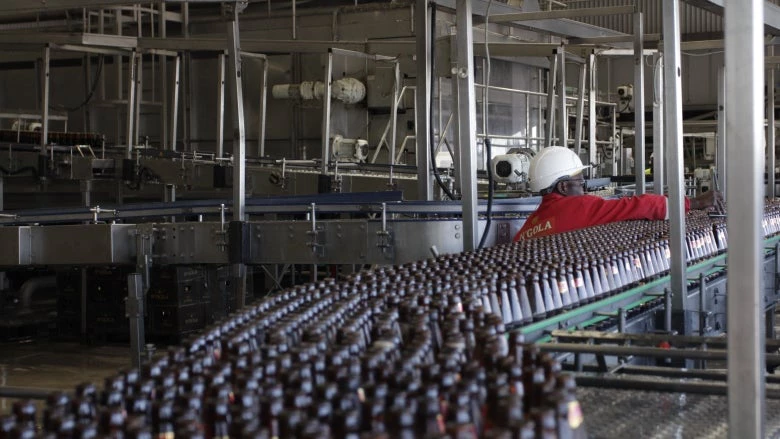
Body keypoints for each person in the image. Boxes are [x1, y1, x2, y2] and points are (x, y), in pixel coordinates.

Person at [514, 146, 721, 241]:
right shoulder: (577, 207)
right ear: (563, 187)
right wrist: (692, 203)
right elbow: (634, 206)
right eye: (579, 181)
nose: (584, 186)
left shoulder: (530, 225)